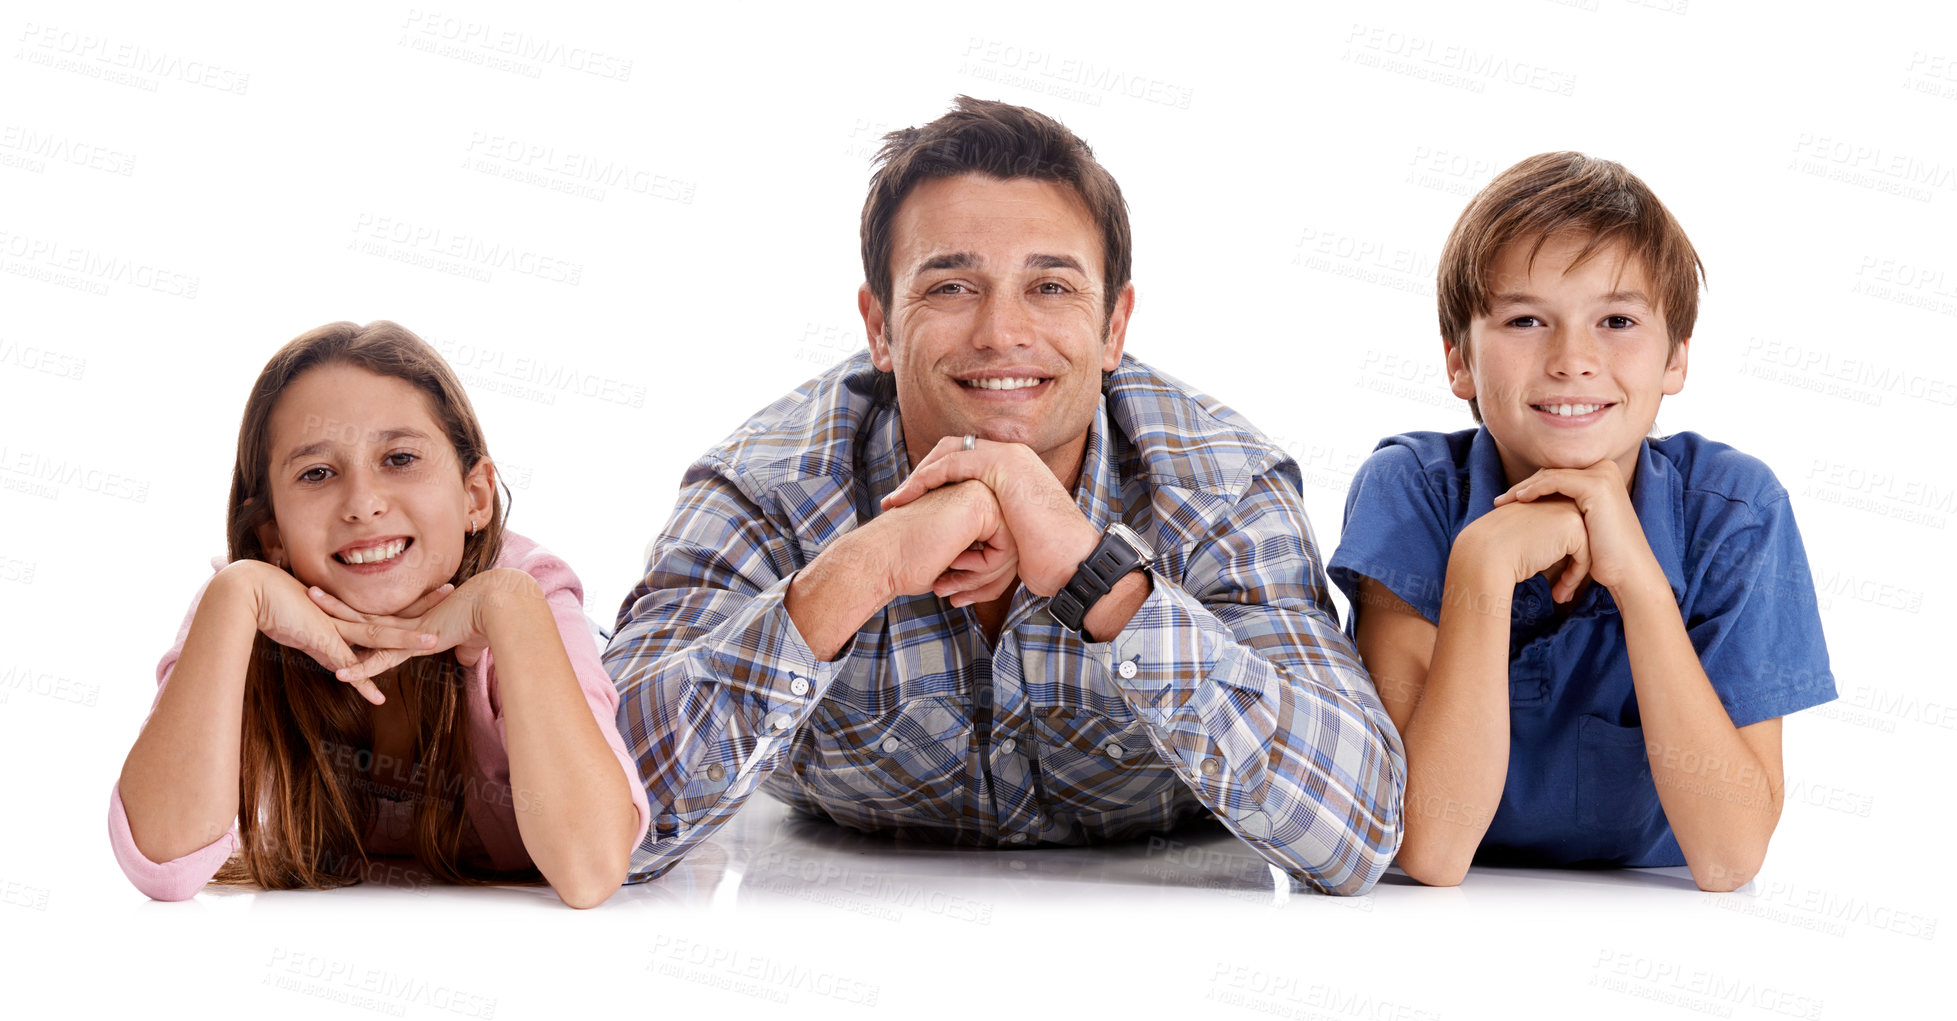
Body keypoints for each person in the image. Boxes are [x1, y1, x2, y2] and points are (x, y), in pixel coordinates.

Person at [605, 96, 1404, 895]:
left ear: (1113, 325)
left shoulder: (1219, 487)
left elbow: (1355, 830)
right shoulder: (763, 487)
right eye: (952, 287)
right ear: (878, 326)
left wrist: (1101, 577)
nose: (1000, 332)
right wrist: (860, 569)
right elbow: (599, 812)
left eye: (1050, 287)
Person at [1329, 153, 1836, 890]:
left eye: (1618, 320)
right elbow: (1430, 849)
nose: (1572, 359)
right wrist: (1482, 564)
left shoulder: (1735, 511)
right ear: (1458, 362)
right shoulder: (1411, 491)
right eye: (1526, 319)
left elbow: (1728, 857)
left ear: (1675, 359)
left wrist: (1636, 579)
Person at [110, 321, 649, 908]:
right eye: (316, 473)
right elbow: (163, 861)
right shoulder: (244, 606)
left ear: (475, 497)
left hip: (614, 680)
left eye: (399, 458)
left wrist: (508, 609)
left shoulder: (527, 595)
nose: (363, 503)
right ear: (272, 536)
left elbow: (592, 870)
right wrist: (235, 598)